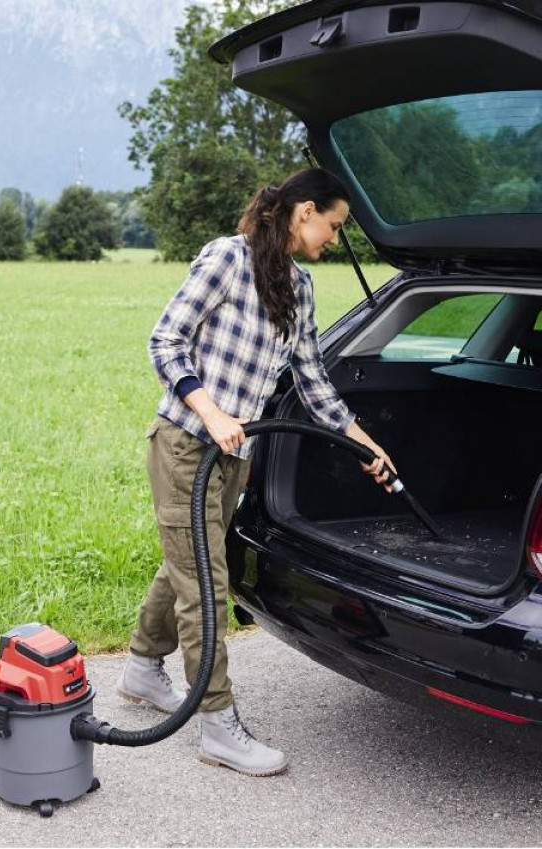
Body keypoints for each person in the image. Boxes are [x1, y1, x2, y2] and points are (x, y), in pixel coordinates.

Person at [117, 168, 396, 777]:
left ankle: (141, 666)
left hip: (234, 456)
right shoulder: (226, 258)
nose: (333, 236)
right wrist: (213, 412)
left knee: (190, 560)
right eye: (334, 224)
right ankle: (217, 724)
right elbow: (165, 342)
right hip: (187, 444)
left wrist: (363, 442)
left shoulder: (298, 285)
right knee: (204, 583)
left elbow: (313, 381)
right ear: (303, 212)